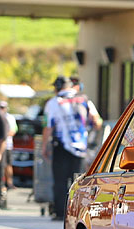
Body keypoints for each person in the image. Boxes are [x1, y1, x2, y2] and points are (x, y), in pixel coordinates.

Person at [42, 76, 102, 220]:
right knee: (79, 181)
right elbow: (97, 121)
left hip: (61, 146)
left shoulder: (53, 102)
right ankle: (78, 212)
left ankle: (60, 212)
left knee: (60, 181)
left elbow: (48, 127)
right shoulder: (84, 100)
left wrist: (44, 146)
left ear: (57, 87)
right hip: (81, 147)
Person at [0, 100, 18, 189]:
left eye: (3, 108)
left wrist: (2, 135)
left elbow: (13, 131)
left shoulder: (10, 118)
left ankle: (9, 183)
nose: (2, 109)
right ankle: (0, 184)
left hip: (7, 145)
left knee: (8, 165)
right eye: (0, 107)